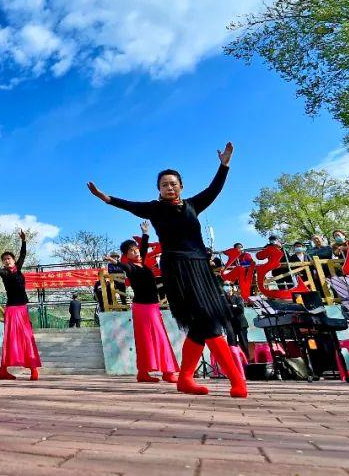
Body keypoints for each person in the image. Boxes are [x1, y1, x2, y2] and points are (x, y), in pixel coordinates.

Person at [88, 142, 246, 398]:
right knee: (207, 321)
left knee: (200, 325)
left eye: (173, 183)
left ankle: (185, 378)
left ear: (181, 186)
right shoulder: (155, 209)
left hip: (200, 267)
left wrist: (224, 165)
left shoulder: (194, 205)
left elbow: (214, 189)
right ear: (159, 189)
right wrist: (104, 197)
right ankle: (237, 381)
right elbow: (127, 205)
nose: (169, 187)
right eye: (164, 184)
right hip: (177, 268)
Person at [105, 222, 178, 383]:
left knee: (158, 337)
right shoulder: (131, 267)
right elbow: (124, 266)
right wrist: (115, 262)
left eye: (136, 249)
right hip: (143, 308)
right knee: (149, 338)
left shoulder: (142, 263)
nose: (136, 251)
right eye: (131, 250)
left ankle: (151, 372)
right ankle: (159, 372)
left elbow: (143, 247)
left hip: (152, 307)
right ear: (127, 255)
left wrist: (145, 233)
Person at [0, 230, 40, 380]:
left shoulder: (18, 268)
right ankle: (3, 371)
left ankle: (33, 369)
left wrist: (24, 240)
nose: (7, 261)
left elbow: (23, 255)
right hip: (11, 309)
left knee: (27, 337)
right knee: (10, 338)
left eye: (9, 258)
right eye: (4, 259)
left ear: (14, 260)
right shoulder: (4, 273)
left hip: (22, 308)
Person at [223, 283, 250, 360]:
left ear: (232, 287)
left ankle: (247, 362)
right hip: (230, 326)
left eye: (228, 285)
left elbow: (240, 309)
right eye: (225, 285)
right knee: (232, 345)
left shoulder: (238, 298)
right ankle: (235, 362)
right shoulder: (223, 299)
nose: (226, 287)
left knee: (244, 345)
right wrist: (233, 307)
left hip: (241, 324)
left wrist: (230, 306)